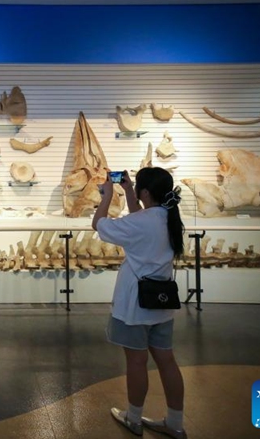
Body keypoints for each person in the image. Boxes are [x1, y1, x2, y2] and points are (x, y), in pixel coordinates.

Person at [92, 167, 187, 439]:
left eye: (139, 191)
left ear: (147, 192)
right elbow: (142, 217)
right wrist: (130, 191)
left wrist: (107, 195)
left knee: (136, 361)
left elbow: (98, 224)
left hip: (135, 304)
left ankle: (133, 418)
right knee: (167, 361)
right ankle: (176, 423)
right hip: (162, 304)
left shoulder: (143, 221)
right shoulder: (169, 216)